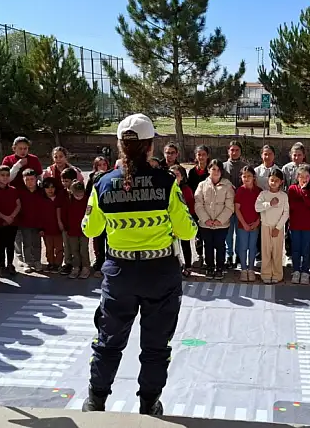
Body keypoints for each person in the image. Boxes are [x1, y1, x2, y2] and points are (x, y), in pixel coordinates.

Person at [80, 113, 198, 415]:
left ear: (120, 145)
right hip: (160, 273)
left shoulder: (103, 183)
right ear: (150, 145)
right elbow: (187, 231)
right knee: (156, 347)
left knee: (108, 342)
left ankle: (96, 401)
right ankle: (148, 405)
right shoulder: (167, 182)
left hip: (119, 274)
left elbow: (90, 229)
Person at [194, 159, 235, 280]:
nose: (215, 172)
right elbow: (198, 204)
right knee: (208, 246)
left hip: (221, 225)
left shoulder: (227, 186)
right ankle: (210, 266)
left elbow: (229, 206)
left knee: (220, 245)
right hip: (205, 224)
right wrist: (206, 219)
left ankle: (220, 267)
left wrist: (219, 220)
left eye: (218, 169)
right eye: (213, 169)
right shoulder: (202, 185)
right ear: (208, 170)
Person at [255, 168, 289, 284]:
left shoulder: (283, 196)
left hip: (277, 228)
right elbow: (257, 207)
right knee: (266, 251)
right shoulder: (263, 194)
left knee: (277, 251)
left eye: (276, 181)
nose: (273, 183)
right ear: (268, 180)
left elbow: (286, 213)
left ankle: (277, 274)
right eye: (272, 180)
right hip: (265, 226)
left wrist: (278, 228)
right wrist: (269, 204)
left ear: (281, 182)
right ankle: (265, 274)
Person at [288, 164, 310, 285]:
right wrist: (307, 205)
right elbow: (292, 206)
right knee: (295, 249)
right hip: (295, 224)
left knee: (306, 249)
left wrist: (304, 192)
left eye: (307, 176)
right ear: (297, 177)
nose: (304, 179)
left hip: (308, 225)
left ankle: (305, 271)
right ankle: (296, 271)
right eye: (301, 176)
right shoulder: (292, 189)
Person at [0, 165, 21, 275]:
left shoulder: (13, 190)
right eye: (2, 175)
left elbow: (18, 205)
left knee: (10, 243)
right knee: (2, 243)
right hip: (0, 222)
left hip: (13, 222)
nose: (5, 177)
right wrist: (5, 217)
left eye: (7, 175)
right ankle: (2, 265)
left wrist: (12, 217)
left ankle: (10, 264)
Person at [234, 165, 261, 282]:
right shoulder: (240, 190)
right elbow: (237, 208)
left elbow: (262, 209)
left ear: (254, 177)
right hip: (242, 225)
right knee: (243, 247)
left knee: (252, 247)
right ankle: (243, 269)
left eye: (249, 176)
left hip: (255, 224)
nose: (246, 178)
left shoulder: (259, 191)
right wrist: (244, 223)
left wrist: (257, 222)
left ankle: (251, 269)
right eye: (244, 176)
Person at [17, 169, 46, 273]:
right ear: (23, 180)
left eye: (32, 179)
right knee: (27, 244)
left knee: (37, 244)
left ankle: (37, 261)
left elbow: (43, 209)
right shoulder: (20, 192)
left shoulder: (41, 192)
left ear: (36, 179)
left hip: (37, 223)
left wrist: (42, 225)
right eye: (27, 179)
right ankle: (28, 262)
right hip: (25, 223)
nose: (30, 181)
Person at [170, 165, 196, 277]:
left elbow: (191, 206)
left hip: (183, 221)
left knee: (186, 245)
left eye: (177, 175)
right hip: (170, 223)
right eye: (172, 175)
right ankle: (177, 266)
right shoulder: (167, 189)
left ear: (182, 176)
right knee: (174, 247)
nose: (174, 177)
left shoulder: (186, 190)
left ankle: (188, 266)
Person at [224, 141, 246, 266]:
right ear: (228, 151)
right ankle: (229, 255)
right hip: (226, 206)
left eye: (237, 150)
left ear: (240, 152)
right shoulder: (223, 166)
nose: (234, 152)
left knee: (239, 233)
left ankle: (239, 255)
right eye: (232, 150)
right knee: (228, 233)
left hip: (240, 207)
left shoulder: (244, 166)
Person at [188, 145, 210, 266]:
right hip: (196, 208)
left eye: (203, 154)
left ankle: (209, 258)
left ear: (207, 156)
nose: (201, 157)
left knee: (208, 234)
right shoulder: (192, 172)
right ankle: (199, 256)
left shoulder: (211, 171)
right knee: (198, 234)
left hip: (209, 208)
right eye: (199, 155)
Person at [63, 181, 91, 279]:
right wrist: (65, 226)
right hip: (72, 230)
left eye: (81, 194)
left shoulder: (87, 200)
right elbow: (64, 214)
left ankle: (86, 267)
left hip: (84, 230)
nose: (79, 196)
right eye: (76, 194)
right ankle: (76, 267)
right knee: (74, 250)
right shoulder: (68, 200)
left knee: (83, 250)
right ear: (71, 192)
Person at [88, 158, 111, 277]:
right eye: (99, 165)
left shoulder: (111, 177)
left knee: (110, 241)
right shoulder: (92, 177)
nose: (102, 167)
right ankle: (99, 261)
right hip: (97, 214)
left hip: (108, 214)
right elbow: (88, 196)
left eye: (104, 164)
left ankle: (110, 263)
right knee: (98, 240)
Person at [41, 177, 66, 273]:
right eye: (47, 188)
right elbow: (40, 216)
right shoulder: (42, 200)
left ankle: (58, 264)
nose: (50, 190)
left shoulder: (59, 199)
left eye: (52, 187)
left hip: (58, 229)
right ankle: (50, 263)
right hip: (47, 230)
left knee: (59, 248)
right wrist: (40, 228)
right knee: (49, 248)